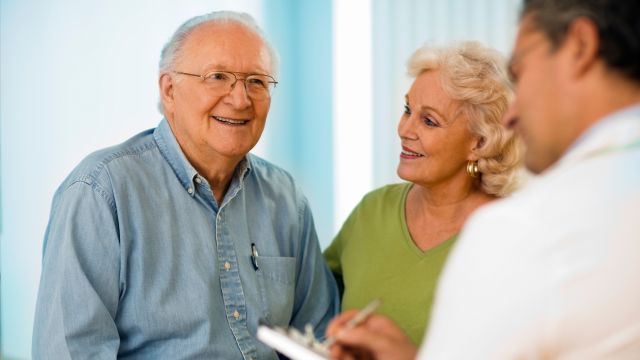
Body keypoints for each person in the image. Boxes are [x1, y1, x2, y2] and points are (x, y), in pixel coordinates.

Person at [327, 0, 640, 359]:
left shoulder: (521, 230)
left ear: (580, 45)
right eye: (407, 110)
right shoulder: (374, 211)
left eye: (521, 72)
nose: (513, 116)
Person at [32, 11, 339, 359]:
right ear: (169, 89)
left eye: (256, 81)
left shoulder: (286, 199)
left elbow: (319, 340)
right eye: (218, 77)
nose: (240, 99)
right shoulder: (102, 192)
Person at [323, 41, 522, 346]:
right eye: (407, 110)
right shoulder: (372, 211)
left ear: (480, 143)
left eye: (429, 120)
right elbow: (315, 311)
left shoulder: (509, 236)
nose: (405, 129)